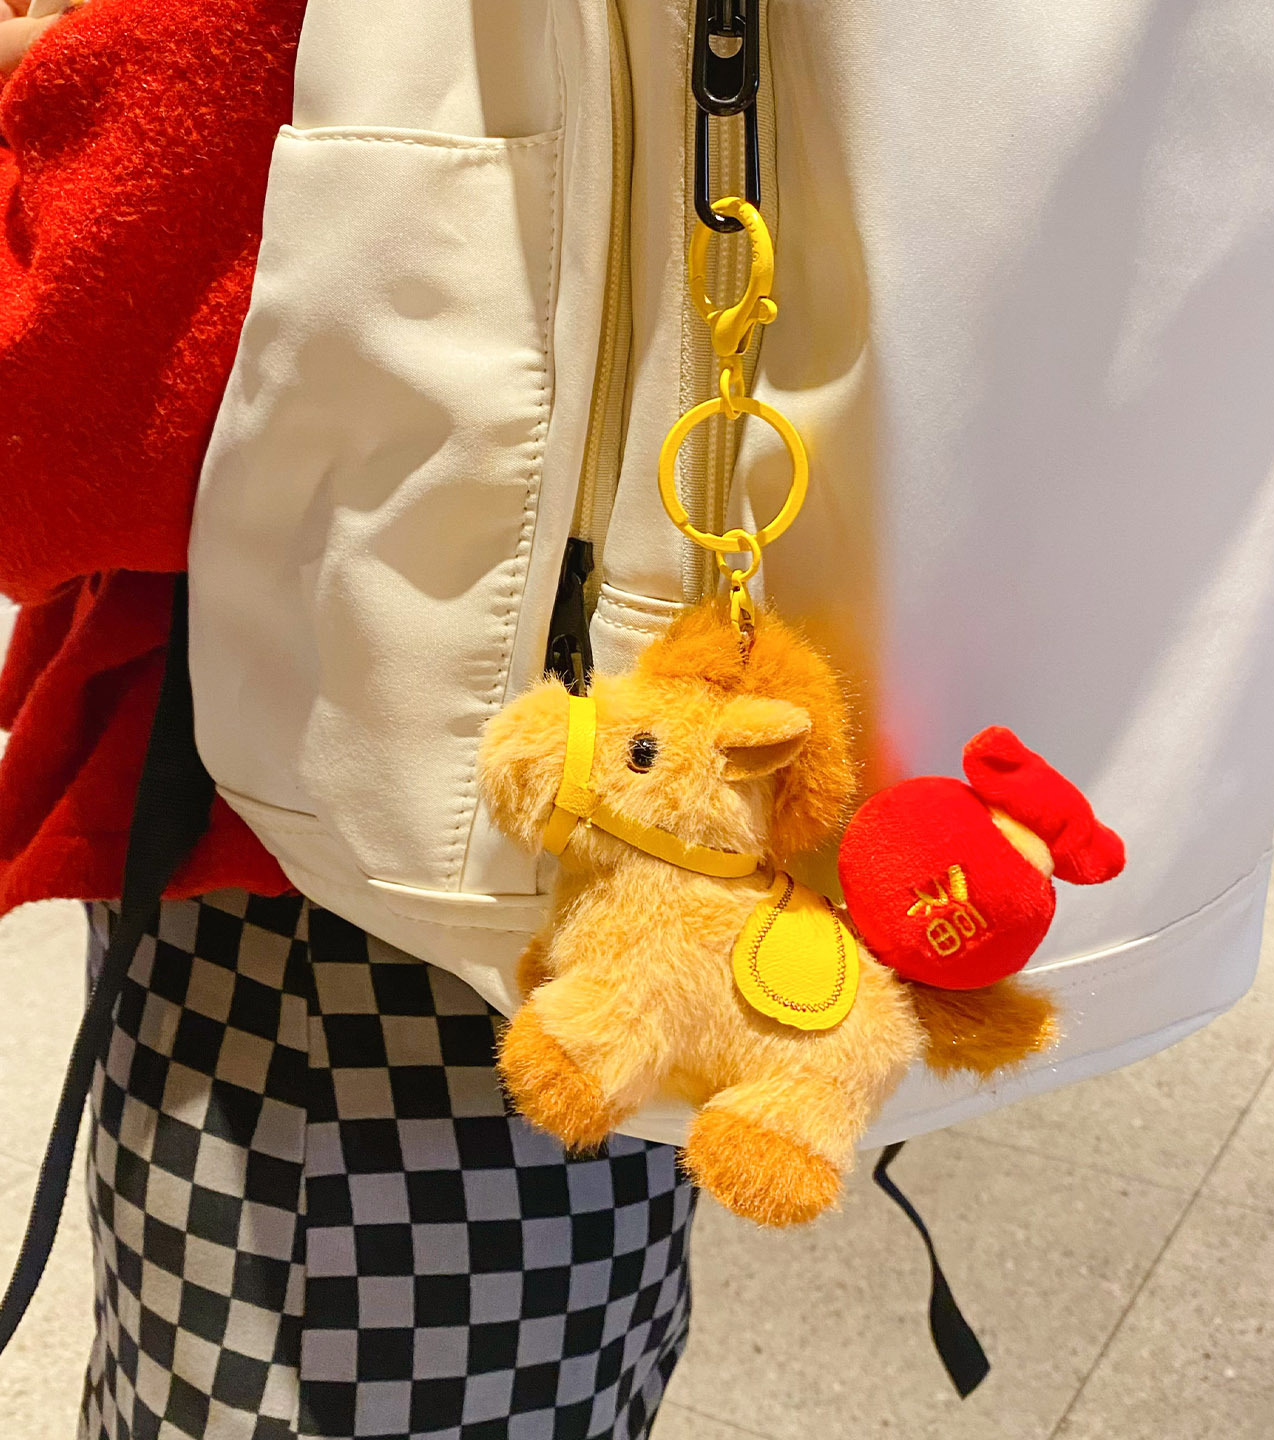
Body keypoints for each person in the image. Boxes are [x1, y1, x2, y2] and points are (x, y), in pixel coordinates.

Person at [0, 5, 694, 1437]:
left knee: (283, 1376)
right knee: (556, 1344)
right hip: (616, 808)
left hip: (329, 891)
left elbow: (44, 431)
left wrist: (48, 90)